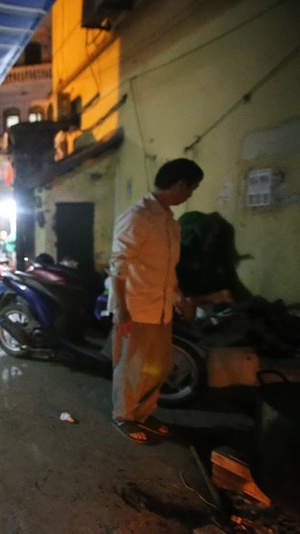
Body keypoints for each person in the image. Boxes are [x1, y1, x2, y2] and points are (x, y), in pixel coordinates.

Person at [108, 158, 203, 444]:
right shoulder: (139, 216)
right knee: (132, 366)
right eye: (191, 188)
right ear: (179, 185)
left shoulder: (169, 222)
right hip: (135, 309)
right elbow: (118, 265)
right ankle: (124, 415)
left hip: (160, 311)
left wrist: (179, 298)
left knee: (158, 366)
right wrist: (122, 309)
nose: (190, 195)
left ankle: (144, 412)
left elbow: (165, 272)